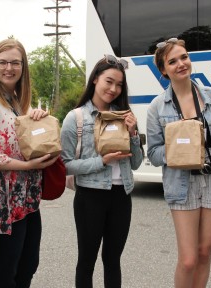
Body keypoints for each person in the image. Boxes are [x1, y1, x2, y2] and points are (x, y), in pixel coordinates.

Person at [146, 38, 211, 288]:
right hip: (181, 181)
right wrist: (181, 153)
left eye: (184, 57)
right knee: (188, 259)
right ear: (164, 71)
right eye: (173, 61)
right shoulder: (157, 107)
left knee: (204, 252)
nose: (181, 64)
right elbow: (154, 153)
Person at [0, 38, 58, 288]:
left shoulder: (18, 102)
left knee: (27, 269)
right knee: (3, 276)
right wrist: (27, 167)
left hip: (27, 202)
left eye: (15, 63)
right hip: (0, 206)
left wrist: (38, 120)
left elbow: (30, 145)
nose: (9, 68)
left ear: (23, 67)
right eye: (3, 62)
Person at [60, 54, 143, 287]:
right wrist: (102, 161)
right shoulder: (75, 118)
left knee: (112, 259)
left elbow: (136, 163)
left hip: (122, 195)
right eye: (109, 81)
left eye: (119, 84)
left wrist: (134, 133)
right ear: (95, 79)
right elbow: (65, 165)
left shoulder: (125, 116)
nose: (114, 89)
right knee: (87, 260)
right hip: (90, 196)